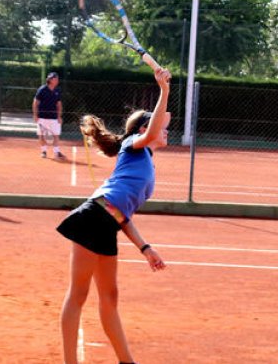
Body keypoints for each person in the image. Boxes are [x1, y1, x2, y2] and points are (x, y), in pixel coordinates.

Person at [57, 66, 171, 364]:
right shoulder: (132, 146)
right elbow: (153, 128)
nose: (167, 130)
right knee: (78, 294)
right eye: (163, 125)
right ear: (146, 130)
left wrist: (145, 248)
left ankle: (127, 361)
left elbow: (122, 213)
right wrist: (164, 90)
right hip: (93, 217)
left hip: (107, 223)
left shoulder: (145, 162)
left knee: (110, 298)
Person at [33, 72, 64, 159]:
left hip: (54, 117)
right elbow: (35, 102)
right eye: (55, 78)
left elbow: (59, 104)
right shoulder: (42, 89)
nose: (57, 80)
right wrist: (35, 115)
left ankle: (56, 152)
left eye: (57, 78)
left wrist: (59, 116)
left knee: (56, 134)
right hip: (42, 117)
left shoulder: (57, 90)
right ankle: (44, 151)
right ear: (50, 80)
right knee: (41, 135)